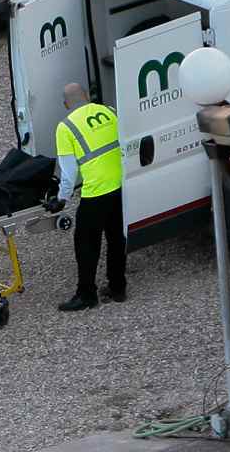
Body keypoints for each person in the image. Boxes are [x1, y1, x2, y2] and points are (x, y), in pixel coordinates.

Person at [48, 83, 127, 311]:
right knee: (116, 238)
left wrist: (61, 199)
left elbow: (69, 172)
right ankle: (118, 287)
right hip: (121, 185)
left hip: (96, 191)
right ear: (87, 97)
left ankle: (86, 294)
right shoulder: (109, 111)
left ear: (66, 104)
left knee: (85, 244)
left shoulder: (66, 127)